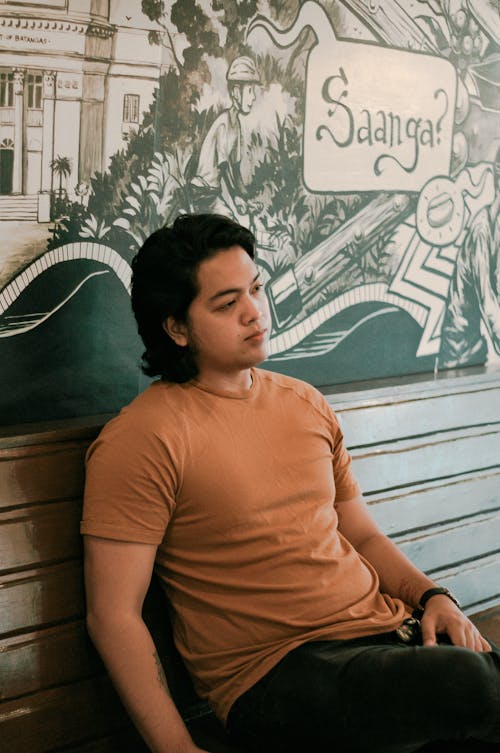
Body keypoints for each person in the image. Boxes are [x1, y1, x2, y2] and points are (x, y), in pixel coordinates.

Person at [82, 213, 500, 753]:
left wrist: (433, 597)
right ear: (176, 327)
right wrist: (176, 748)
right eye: (227, 304)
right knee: (468, 686)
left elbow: (364, 538)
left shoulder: (304, 403)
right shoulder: (143, 438)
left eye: (255, 289)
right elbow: (112, 614)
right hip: (275, 677)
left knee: (468, 697)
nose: (255, 312)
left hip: (384, 637)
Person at [439, 147, 500, 368]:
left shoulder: (496, 228)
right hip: (458, 357)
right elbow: (489, 303)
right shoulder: (481, 230)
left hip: (475, 352)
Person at [191, 57, 259, 223]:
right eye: (250, 91)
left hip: (212, 193)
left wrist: (247, 198)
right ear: (236, 92)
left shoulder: (236, 126)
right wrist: (236, 198)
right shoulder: (224, 123)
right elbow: (224, 166)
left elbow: (235, 171)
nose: (254, 97)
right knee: (231, 227)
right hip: (203, 193)